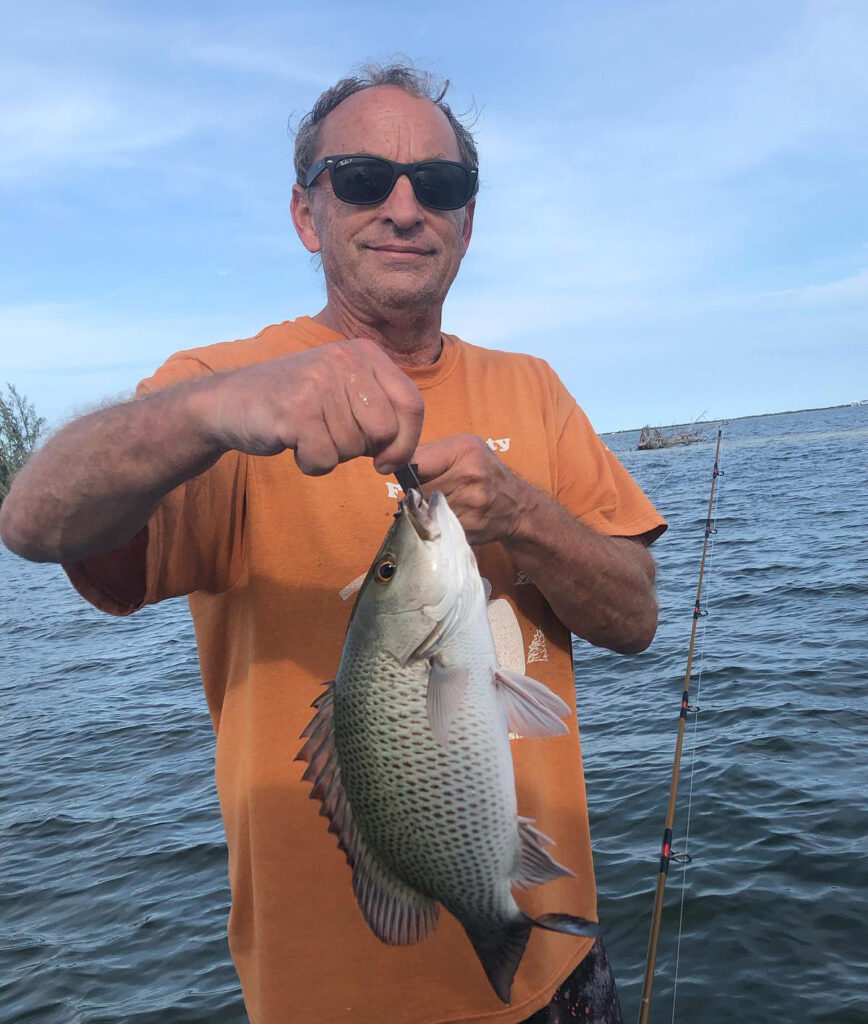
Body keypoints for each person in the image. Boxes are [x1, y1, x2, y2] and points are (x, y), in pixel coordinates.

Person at [0, 64, 666, 1024]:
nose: (404, 206)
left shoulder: (536, 388)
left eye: (438, 186)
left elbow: (638, 617)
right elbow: (32, 518)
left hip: (557, 972)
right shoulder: (218, 387)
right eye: (361, 178)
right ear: (308, 214)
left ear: (466, 223)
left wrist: (522, 513)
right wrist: (219, 411)